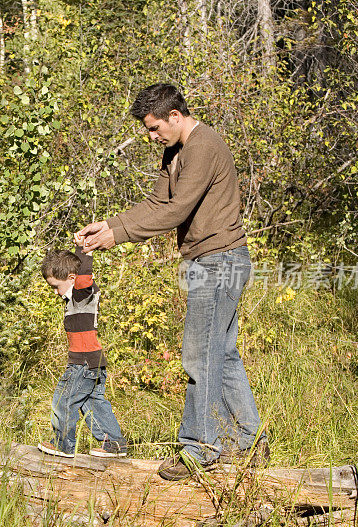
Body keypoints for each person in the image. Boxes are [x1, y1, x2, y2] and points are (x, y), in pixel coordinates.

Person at [77, 83, 268, 480]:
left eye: (154, 128)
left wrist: (120, 235)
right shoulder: (175, 150)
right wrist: (110, 226)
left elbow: (178, 210)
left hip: (219, 260)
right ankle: (250, 441)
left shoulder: (204, 146)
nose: (151, 136)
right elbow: (157, 203)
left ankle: (200, 447)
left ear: (175, 117)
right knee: (222, 354)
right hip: (207, 261)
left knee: (199, 355)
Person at [37, 236, 128, 459]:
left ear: (71, 278)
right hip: (94, 362)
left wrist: (84, 250)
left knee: (64, 400)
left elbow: (83, 275)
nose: (57, 292)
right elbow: (75, 274)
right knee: (92, 402)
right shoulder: (72, 298)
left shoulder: (82, 292)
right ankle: (114, 444)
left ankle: (64, 444)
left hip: (84, 363)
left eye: (56, 287)